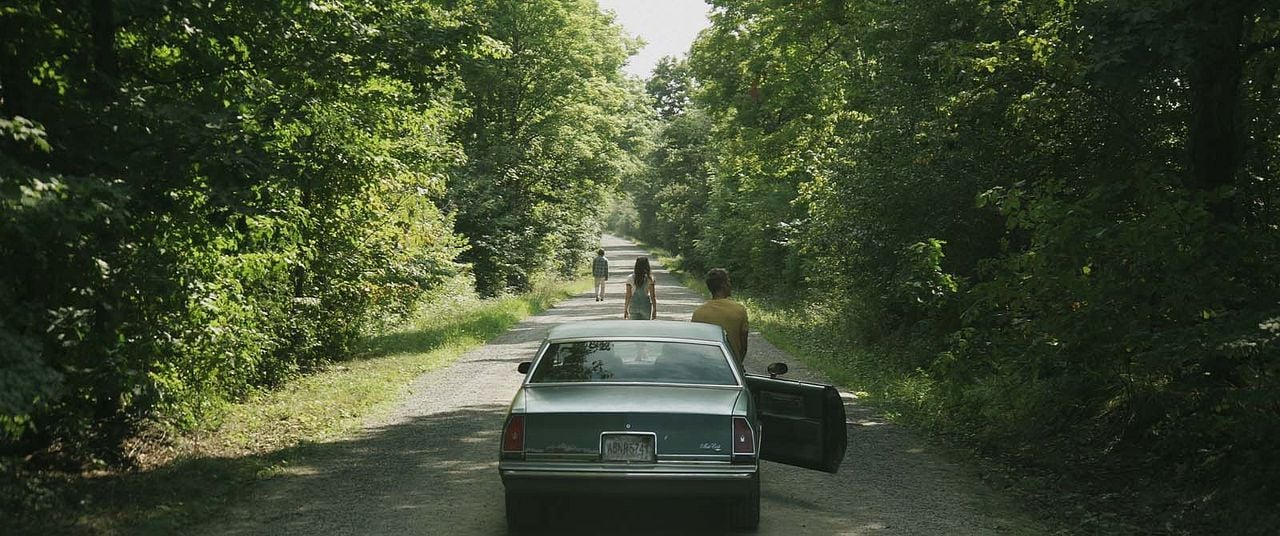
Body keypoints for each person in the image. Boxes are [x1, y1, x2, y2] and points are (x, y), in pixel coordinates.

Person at [692, 268, 749, 364]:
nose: (730, 285)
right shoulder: (739, 310)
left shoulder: (698, 313)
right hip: (730, 364)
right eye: (728, 282)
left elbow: (696, 344)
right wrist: (738, 364)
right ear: (723, 285)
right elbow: (743, 346)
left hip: (705, 364)